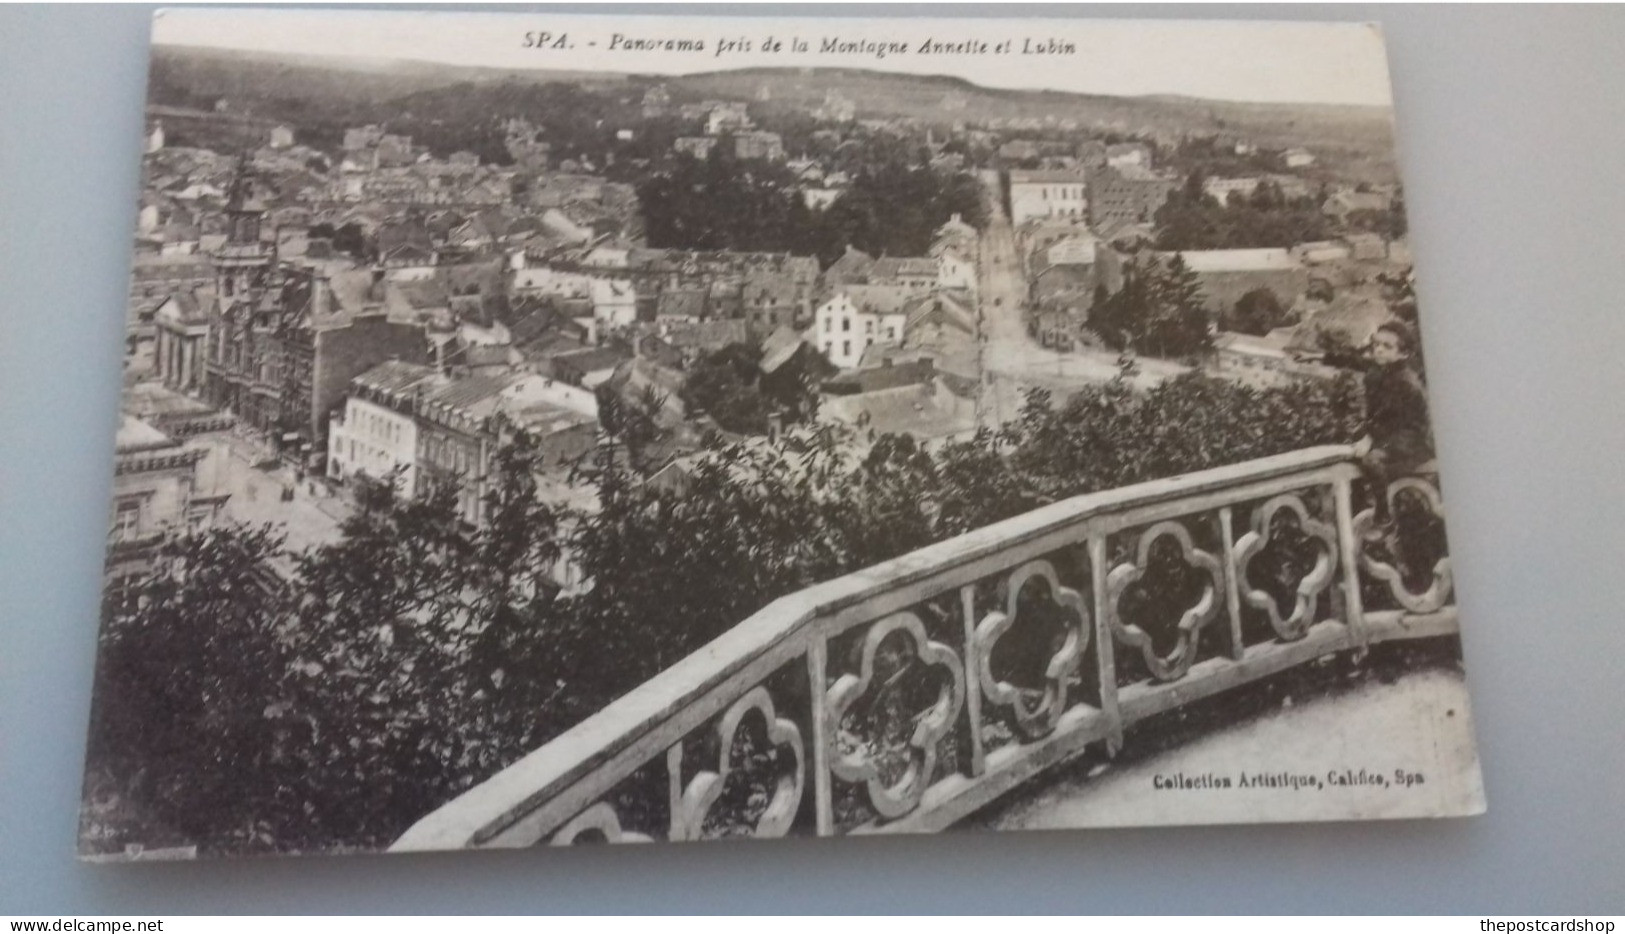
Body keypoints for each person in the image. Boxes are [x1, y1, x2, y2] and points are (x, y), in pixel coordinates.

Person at [1353, 320, 1434, 538]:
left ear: (1403, 354)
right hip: (1392, 433)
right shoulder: (1377, 373)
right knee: (1354, 452)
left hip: (1411, 438)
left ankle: (1383, 515)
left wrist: (1368, 436)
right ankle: (1360, 506)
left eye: (1387, 347)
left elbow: (1390, 418)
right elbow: (1376, 414)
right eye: (1376, 344)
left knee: (1372, 460)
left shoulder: (1404, 381)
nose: (1378, 350)